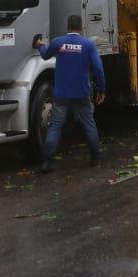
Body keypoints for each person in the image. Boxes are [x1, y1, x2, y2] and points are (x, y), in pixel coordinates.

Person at [34, 14, 105, 173]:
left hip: (61, 94)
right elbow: (98, 69)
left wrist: (39, 44)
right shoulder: (88, 45)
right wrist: (101, 89)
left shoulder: (58, 42)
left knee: (54, 127)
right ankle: (95, 157)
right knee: (89, 124)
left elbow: (45, 54)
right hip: (81, 93)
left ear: (68, 27)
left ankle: (47, 162)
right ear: (81, 27)